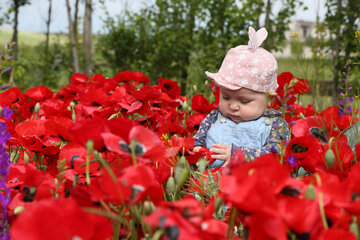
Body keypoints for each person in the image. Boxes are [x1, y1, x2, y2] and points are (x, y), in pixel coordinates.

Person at [194, 26, 290, 169]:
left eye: (244, 101)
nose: (233, 106)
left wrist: (239, 154)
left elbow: (276, 153)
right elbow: (197, 142)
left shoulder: (275, 126)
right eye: (226, 97)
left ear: (269, 99)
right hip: (209, 183)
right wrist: (198, 152)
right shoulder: (213, 118)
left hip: (250, 185)